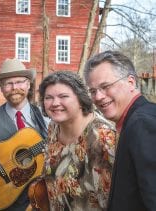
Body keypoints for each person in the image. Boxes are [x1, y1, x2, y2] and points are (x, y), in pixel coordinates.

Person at [83, 50, 156, 211]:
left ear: (131, 82)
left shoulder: (143, 124)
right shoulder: (131, 121)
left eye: (106, 86)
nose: (99, 97)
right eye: (93, 91)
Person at [37, 71, 116, 210]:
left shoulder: (103, 137)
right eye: (48, 97)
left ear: (81, 99)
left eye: (63, 96)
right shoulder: (53, 127)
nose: (55, 103)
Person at [0, 58, 48, 211]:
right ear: (1, 87)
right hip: (5, 200)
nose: (15, 87)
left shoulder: (45, 117)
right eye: (8, 83)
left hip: (38, 199)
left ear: (28, 84)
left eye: (20, 82)